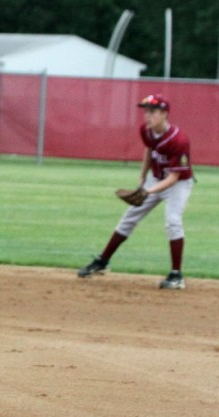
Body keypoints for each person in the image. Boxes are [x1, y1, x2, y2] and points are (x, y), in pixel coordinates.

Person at [78, 94, 194, 289]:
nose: (148, 116)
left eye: (153, 112)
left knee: (173, 222)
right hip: (155, 178)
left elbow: (173, 177)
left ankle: (176, 275)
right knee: (129, 218)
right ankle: (102, 261)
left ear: (165, 114)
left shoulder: (179, 140)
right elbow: (149, 151)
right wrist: (142, 178)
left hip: (178, 184)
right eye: (146, 111)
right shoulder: (146, 131)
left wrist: (148, 192)